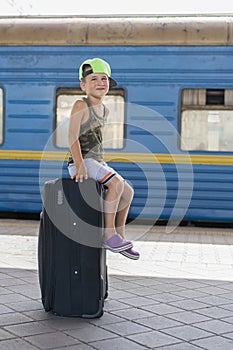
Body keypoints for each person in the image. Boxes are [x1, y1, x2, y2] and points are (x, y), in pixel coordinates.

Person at [67, 57, 139, 260]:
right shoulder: (81, 105)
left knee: (128, 191)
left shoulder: (105, 109)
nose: (100, 83)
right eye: (94, 79)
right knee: (115, 184)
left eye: (104, 79)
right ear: (83, 85)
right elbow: (72, 136)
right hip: (80, 162)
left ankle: (119, 235)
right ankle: (108, 234)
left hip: (95, 162)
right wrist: (79, 164)